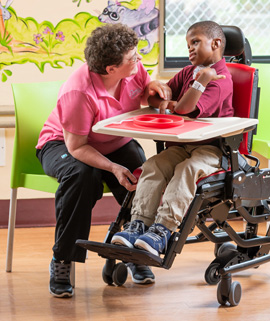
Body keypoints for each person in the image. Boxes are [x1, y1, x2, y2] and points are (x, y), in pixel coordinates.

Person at [36, 23, 171, 298]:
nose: (139, 60)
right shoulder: (79, 92)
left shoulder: (132, 71)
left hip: (113, 141)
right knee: (82, 176)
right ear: (110, 69)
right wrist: (111, 167)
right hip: (63, 144)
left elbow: (143, 91)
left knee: (140, 172)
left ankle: (133, 249)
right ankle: (62, 259)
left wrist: (153, 88)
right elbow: (77, 146)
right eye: (133, 58)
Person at [112, 21, 233, 259]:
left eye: (195, 42)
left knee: (187, 169)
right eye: (188, 44)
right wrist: (167, 102)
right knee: (154, 165)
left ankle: (162, 229)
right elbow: (155, 98)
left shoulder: (220, 79)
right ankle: (139, 223)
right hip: (183, 145)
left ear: (216, 43)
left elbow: (187, 108)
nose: (190, 49)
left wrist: (201, 82)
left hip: (211, 150)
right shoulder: (188, 72)